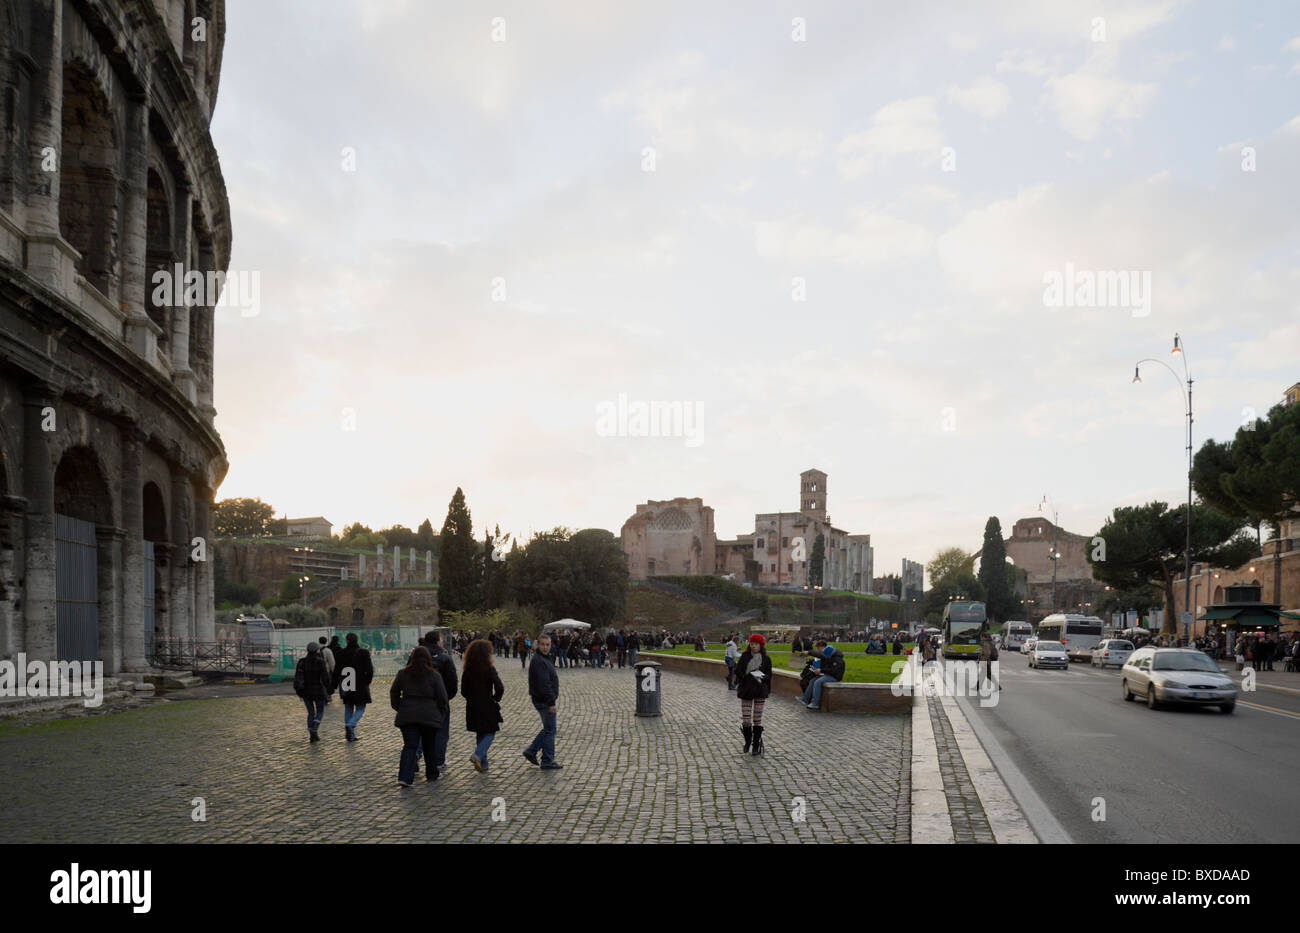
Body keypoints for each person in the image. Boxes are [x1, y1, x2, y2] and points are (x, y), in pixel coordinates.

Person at [390, 646, 449, 787]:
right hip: (429, 715)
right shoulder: (434, 676)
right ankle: (432, 774)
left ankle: (405, 777)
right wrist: (440, 713)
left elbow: (394, 692)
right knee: (429, 746)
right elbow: (442, 698)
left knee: (410, 746)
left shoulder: (403, 674)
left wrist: (400, 707)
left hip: (408, 714)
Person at [461, 638, 504, 772]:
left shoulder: (467, 670)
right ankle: (478, 755)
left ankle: (483, 763)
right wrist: (496, 698)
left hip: (472, 705)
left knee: (480, 732)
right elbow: (499, 687)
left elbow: (463, 691)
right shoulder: (489, 668)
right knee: (490, 732)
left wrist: (471, 698)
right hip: (487, 704)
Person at [417, 631, 459, 773]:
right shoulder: (445, 658)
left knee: (420, 730)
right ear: (437, 641)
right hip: (440, 700)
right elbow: (452, 681)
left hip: (420, 699)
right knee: (441, 731)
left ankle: (416, 754)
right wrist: (447, 697)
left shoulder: (416, 657)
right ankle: (439, 761)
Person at [522, 632, 562, 769]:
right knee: (550, 730)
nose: (545, 647)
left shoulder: (544, 658)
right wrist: (551, 702)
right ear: (538, 645)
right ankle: (546, 760)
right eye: (543, 645)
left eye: (548, 645)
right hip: (544, 700)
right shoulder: (539, 661)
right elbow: (544, 684)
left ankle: (532, 751)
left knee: (548, 729)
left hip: (542, 698)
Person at [735, 634, 772, 756]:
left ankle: (756, 744)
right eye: (752, 644)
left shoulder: (766, 659)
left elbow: (769, 675)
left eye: (756, 644)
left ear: (761, 645)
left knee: (757, 719)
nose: (754, 646)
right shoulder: (745, 656)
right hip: (746, 690)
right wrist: (746, 676)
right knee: (746, 719)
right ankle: (747, 741)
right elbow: (738, 670)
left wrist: (761, 676)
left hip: (760, 690)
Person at [335, 632, 374, 741]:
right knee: (361, 707)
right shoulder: (363, 653)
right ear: (357, 640)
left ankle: (351, 735)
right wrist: (367, 681)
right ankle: (351, 724)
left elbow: (337, 670)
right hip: (360, 683)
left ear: (347, 641)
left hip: (346, 683)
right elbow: (370, 669)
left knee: (348, 707)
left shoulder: (341, 653)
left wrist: (333, 685)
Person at [293, 641, 331, 742]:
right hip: (318, 690)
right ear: (317, 650)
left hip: (305, 691)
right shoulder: (320, 661)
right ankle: (315, 727)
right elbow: (325, 677)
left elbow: (297, 676)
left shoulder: (302, 662)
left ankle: (311, 734)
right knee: (320, 711)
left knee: (310, 712)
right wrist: (329, 688)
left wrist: (299, 690)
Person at [799, 640, 844, 710]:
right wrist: (819, 670)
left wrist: (821, 670)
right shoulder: (831, 657)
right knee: (813, 680)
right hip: (828, 674)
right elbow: (826, 666)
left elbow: (834, 671)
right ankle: (805, 699)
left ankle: (815, 703)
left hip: (834, 677)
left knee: (817, 682)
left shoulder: (837, 659)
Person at [318, 636, 336, 703]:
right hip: (326, 671)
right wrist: (334, 671)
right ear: (326, 642)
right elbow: (332, 662)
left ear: (319, 641)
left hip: (316, 671)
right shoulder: (328, 650)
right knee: (326, 684)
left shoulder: (315, 649)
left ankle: (320, 697)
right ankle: (327, 698)